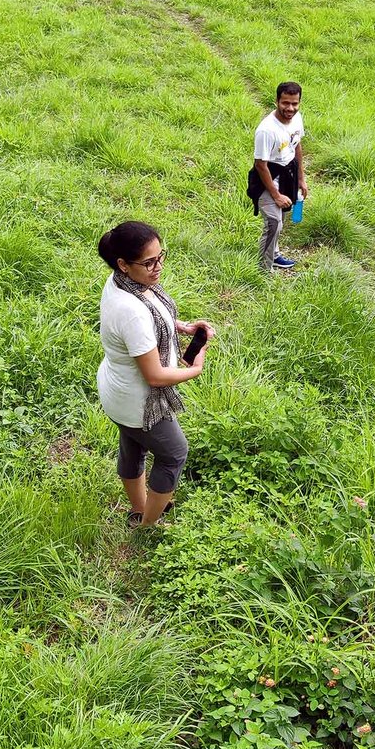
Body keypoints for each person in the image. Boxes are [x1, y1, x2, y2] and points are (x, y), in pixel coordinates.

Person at [96, 221, 213, 528]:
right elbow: (156, 377)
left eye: (161, 257)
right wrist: (196, 369)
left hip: (118, 392)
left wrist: (181, 327)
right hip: (140, 402)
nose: (158, 267)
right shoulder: (130, 310)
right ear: (123, 264)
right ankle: (148, 525)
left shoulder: (123, 283)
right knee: (174, 453)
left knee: (133, 446)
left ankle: (139, 510)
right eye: (149, 262)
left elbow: (149, 321)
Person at [247, 81, 308, 275]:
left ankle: (274, 253)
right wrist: (275, 195)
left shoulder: (297, 119)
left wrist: (301, 179)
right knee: (274, 221)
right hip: (268, 176)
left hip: (288, 173)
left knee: (282, 215)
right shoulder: (266, 130)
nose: (290, 108)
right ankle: (264, 269)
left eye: (294, 103)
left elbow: (296, 146)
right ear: (276, 101)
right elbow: (260, 165)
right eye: (285, 103)